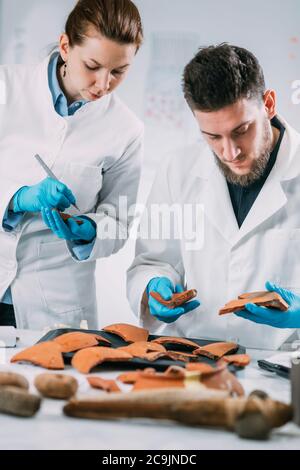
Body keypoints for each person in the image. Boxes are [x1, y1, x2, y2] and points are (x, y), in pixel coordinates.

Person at [127, 44, 300, 350]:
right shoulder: (177, 170)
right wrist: (153, 286)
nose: (230, 152)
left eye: (242, 130)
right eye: (213, 137)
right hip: (191, 358)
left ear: (269, 104)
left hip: (281, 367)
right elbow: (151, 262)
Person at [0, 0, 144, 329]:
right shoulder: (6, 90)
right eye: (92, 65)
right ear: (66, 46)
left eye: (118, 71)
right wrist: (17, 198)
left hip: (52, 307)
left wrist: (91, 230)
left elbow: (119, 221)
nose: (103, 84)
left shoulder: (127, 130)